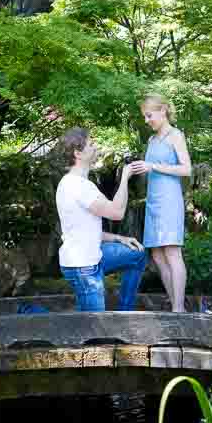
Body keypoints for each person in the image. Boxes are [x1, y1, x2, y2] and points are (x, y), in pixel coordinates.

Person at [55, 127, 147, 312]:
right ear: (78, 153)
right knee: (94, 330)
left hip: (90, 257)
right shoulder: (78, 186)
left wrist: (119, 238)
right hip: (84, 267)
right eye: (91, 144)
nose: (95, 146)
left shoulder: (72, 182)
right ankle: (28, 312)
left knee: (137, 254)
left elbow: (85, 229)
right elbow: (117, 212)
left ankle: (124, 312)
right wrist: (124, 178)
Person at [130, 94, 192, 313]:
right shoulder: (152, 140)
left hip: (169, 199)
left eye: (149, 115)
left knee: (172, 252)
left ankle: (178, 308)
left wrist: (153, 166)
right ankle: (176, 303)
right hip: (153, 201)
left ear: (163, 110)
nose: (147, 120)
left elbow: (187, 169)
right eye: (144, 116)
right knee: (156, 254)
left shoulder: (176, 135)